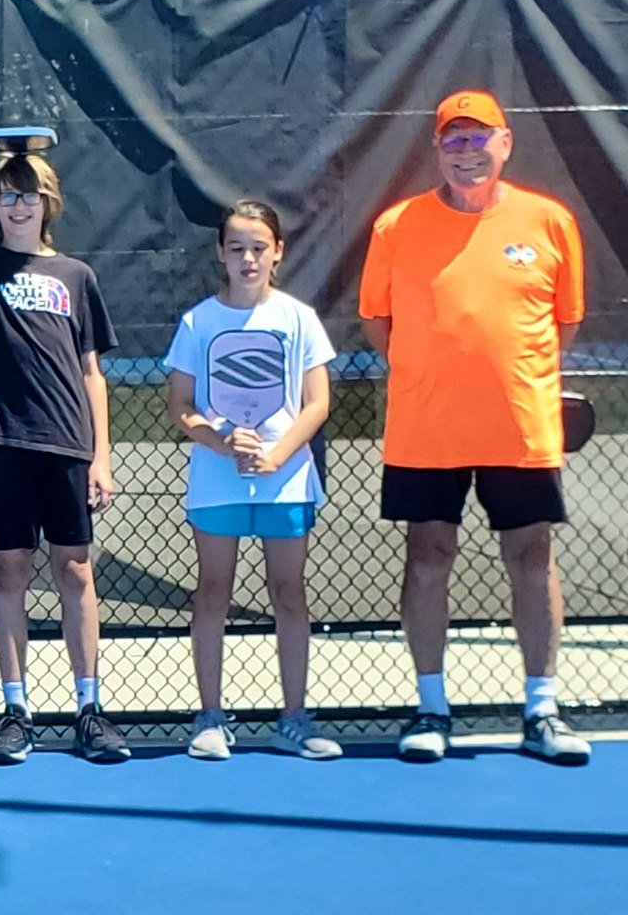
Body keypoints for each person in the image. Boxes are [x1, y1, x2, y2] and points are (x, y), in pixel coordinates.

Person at [359, 90, 590, 765]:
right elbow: (377, 321)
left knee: (532, 558)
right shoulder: (396, 226)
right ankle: (431, 709)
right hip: (426, 429)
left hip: (519, 430)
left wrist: (508, 378)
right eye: (453, 140)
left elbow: (565, 322)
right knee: (429, 557)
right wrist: (430, 371)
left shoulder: (550, 221)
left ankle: (542, 710)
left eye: (478, 137)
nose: (467, 152)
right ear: (437, 150)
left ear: (505, 142)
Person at [0, 129, 128, 765]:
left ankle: (89, 708)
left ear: (47, 203)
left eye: (28, 195)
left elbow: (92, 372)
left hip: (67, 443)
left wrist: (101, 454)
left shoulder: (76, 276)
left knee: (75, 570)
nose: (18, 206)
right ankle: (16, 710)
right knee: (9, 570)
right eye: (7, 196)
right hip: (3, 438)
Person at [164, 201, 341, 760]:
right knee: (212, 590)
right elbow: (180, 404)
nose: (248, 259)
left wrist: (277, 455)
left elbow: (317, 402)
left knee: (289, 592)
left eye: (258, 248)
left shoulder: (298, 319)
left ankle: (293, 719)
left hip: (286, 481)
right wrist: (220, 442)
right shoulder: (198, 323)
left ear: (277, 252)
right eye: (237, 248)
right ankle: (210, 718)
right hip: (217, 482)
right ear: (220, 253)